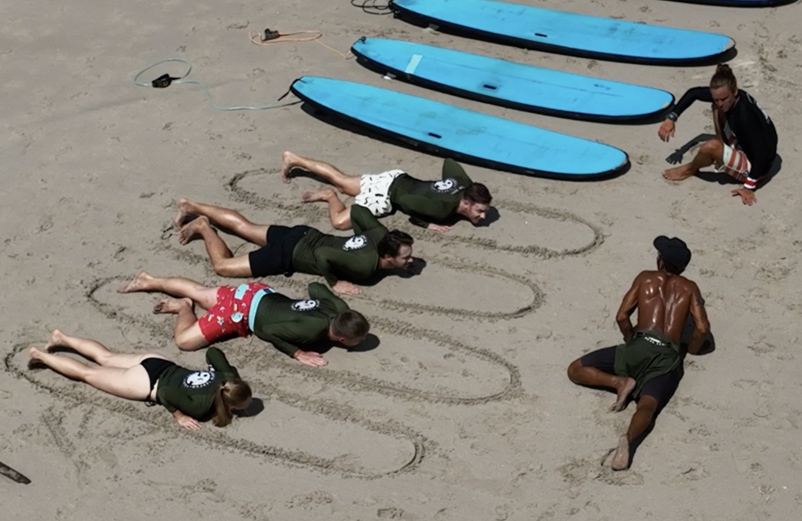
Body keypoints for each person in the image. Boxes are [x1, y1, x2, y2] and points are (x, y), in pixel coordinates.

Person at [566, 236, 710, 470]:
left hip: (639, 345)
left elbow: (622, 316)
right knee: (647, 406)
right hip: (666, 356)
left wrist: (631, 341)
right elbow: (702, 328)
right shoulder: (690, 288)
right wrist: (690, 349)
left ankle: (619, 382)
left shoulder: (645, 278)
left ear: (660, 261)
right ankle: (628, 440)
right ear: (683, 267)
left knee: (576, 369)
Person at [117, 272, 370, 367]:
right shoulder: (313, 331)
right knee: (184, 341)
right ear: (340, 338)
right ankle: (183, 308)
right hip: (239, 312)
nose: (359, 342)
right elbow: (268, 331)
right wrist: (298, 353)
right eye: (356, 340)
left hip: (255, 291)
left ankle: (150, 280)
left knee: (200, 292)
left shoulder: (339, 308)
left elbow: (315, 287)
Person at [173, 198, 414, 296]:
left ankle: (192, 206)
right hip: (289, 254)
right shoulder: (365, 266)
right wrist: (334, 282)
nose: (410, 261)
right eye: (405, 258)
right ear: (387, 256)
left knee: (245, 227)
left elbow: (359, 211)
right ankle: (203, 226)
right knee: (222, 267)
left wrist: (359, 235)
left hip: (304, 233)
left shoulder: (381, 235)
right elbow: (323, 255)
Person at [28, 330, 252, 431]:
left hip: (159, 362)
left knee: (105, 357)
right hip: (145, 384)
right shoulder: (201, 408)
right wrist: (180, 416)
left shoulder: (228, 377)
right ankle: (40, 355)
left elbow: (213, 353)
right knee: (87, 373)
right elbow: (166, 394)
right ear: (230, 406)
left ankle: (62, 337)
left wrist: (216, 372)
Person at [280, 151, 492, 231]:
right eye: (480, 211)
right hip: (385, 196)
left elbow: (450, 162)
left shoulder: (463, 183)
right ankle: (329, 196)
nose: (483, 216)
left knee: (342, 180)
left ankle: (294, 158)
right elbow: (407, 203)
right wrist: (428, 223)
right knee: (339, 223)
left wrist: (448, 185)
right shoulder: (442, 209)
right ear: (466, 203)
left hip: (395, 177)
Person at [659, 64, 778, 206]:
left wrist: (748, 187)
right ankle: (722, 151)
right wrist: (671, 118)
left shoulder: (744, 117)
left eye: (724, 99)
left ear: (734, 92)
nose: (721, 103)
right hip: (748, 146)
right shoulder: (734, 97)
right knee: (716, 109)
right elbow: (693, 93)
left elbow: (761, 156)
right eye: (717, 99)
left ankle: (689, 169)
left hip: (757, 168)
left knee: (711, 146)